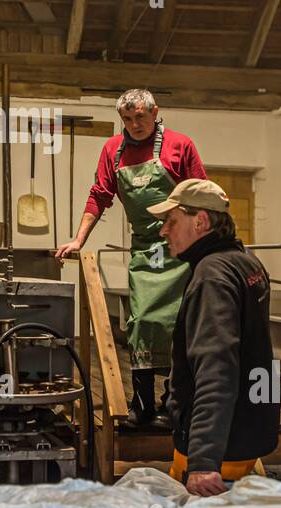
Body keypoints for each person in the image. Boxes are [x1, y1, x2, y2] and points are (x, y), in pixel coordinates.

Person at [55, 88, 207, 427]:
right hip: (145, 250)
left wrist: (207, 244)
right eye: (127, 119)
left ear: (155, 113)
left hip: (183, 248)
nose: (134, 124)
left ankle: (175, 399)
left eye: (140, 117)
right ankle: (142, 404)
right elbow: (100, 196)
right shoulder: (113, 150)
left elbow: (201, 194)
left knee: (181, 322)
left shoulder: (180, 146)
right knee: (141, 322)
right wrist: (79, 239)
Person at [150, 178, 279, 495]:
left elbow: (216, 368)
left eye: (171, 221)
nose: (163, 231)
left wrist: (204, 461)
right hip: (244, 444)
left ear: (201, 221)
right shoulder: (245, 263)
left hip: (218, 460)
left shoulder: (212, 275)